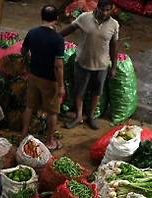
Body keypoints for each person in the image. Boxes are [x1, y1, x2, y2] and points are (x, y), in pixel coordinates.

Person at [60, 0, 119, 130]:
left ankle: (90, 117)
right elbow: (69, 30)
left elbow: (114, 47)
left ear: (111, 10)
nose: (104, 12)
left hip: (102, 65)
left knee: (96, 92)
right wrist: (54, 37)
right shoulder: (84, 18)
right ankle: (78, 116)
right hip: (82, 63)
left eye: (107, 10)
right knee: (79, 91)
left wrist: (113, 67)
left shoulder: (114, 25)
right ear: (97, 7)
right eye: (102, 9)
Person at [21, 5, 65, 151]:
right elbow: (58, 66)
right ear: (56, 19)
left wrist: (29, 64)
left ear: (41, 16)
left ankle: (23, 135)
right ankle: (50, 141)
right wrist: (60, 86)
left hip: (33, 76)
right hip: (49, 80)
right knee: (52, 112)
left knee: (29, 107)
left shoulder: (32, 33)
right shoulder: (57, 39)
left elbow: (23, 51)